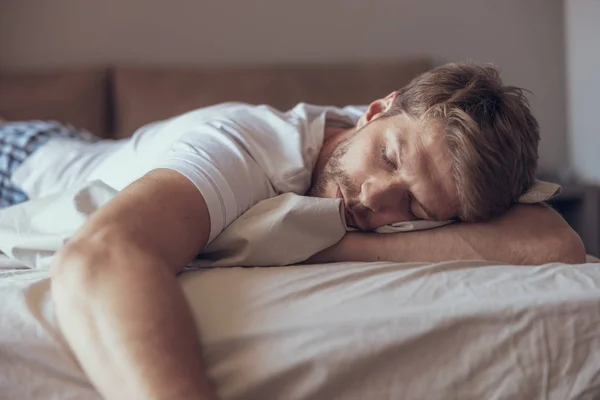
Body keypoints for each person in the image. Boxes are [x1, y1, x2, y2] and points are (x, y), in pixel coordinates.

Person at [1, 62, 585, 399]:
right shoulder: (250, 148)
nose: (375, 199)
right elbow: (101, 258)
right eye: (387, 157)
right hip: (23, 163)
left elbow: (553, 242)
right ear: (376, 111)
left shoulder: (419, 139)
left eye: (413, 205)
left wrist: (341, 247)